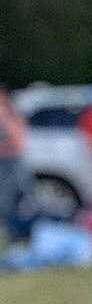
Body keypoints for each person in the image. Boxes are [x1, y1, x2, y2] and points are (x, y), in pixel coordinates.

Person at [0, 89, 30, 239]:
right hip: (8, 160)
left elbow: (16, 136)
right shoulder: (6, 114)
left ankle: (17, 229)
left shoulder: (8, 113)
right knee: (8, 197)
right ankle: (10, 229)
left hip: (13, 159)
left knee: (19, 195)